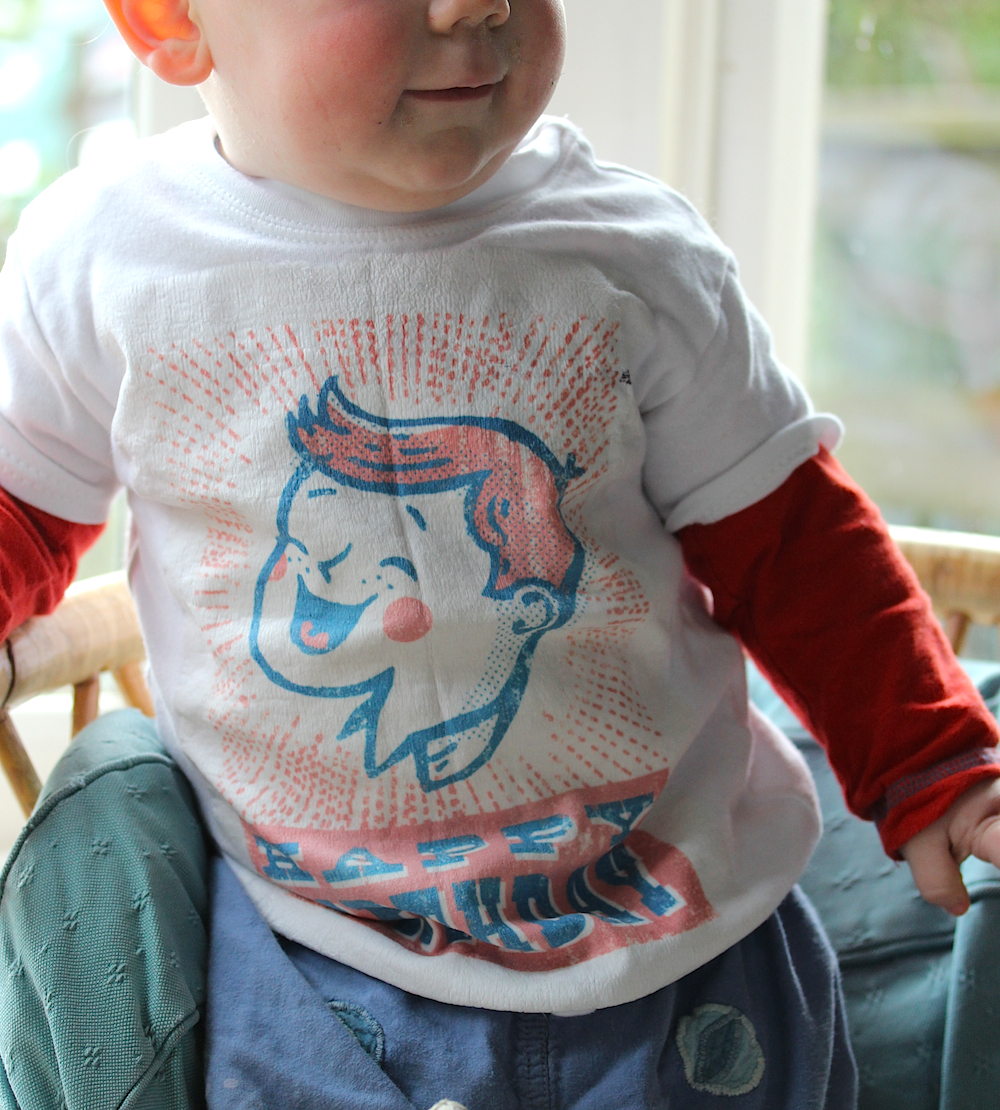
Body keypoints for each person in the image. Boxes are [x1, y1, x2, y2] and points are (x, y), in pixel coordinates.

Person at [2, 1, 1000, 1106]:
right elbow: (20, 512)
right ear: (168, 17)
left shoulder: (631, 251)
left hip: (679, 924)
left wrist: (930, 763)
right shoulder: (104, 255)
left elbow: (795, 545)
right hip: (302, 945)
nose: (475, 5)